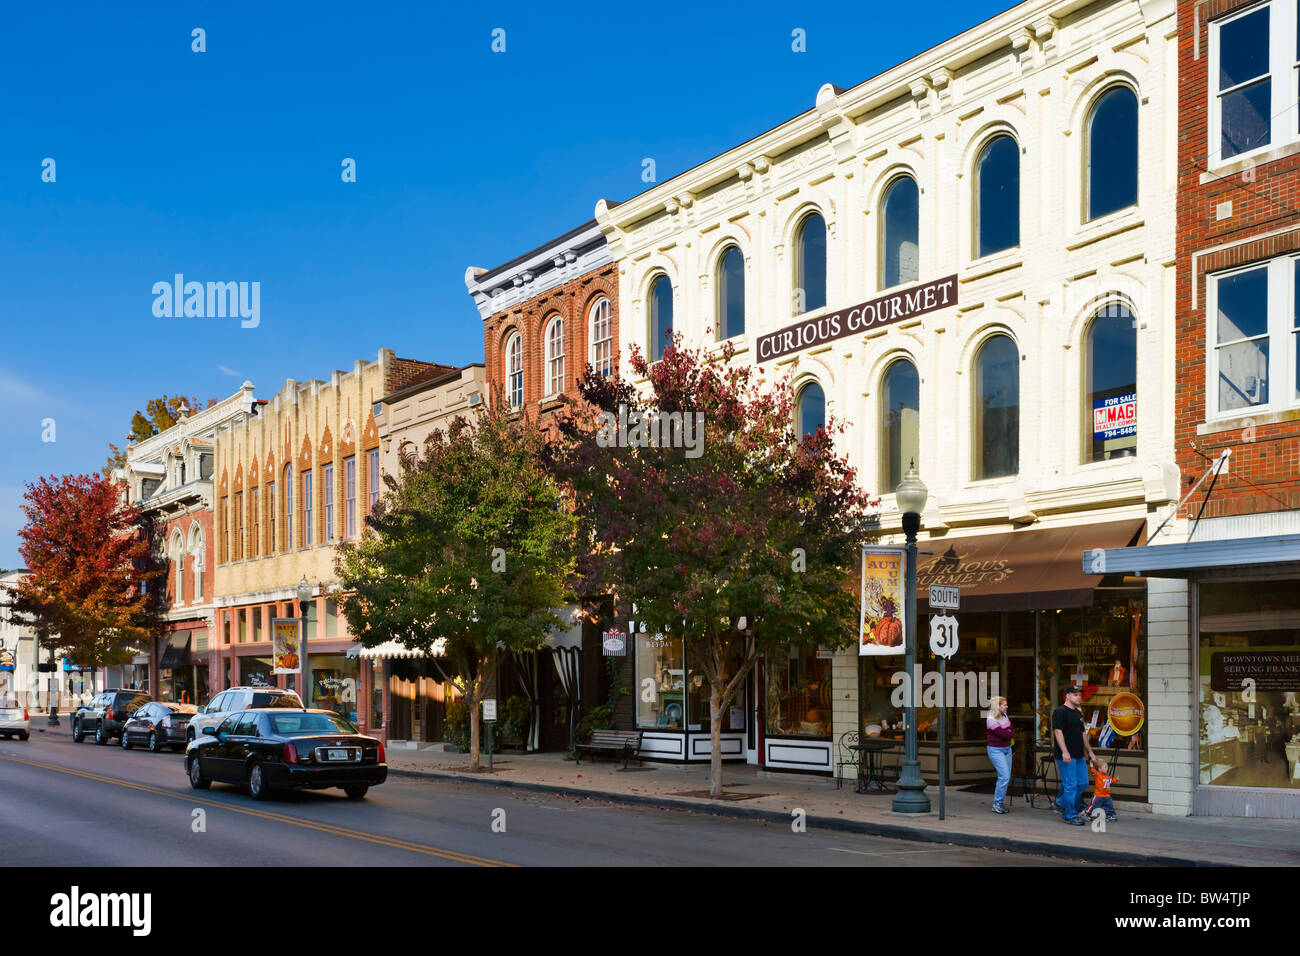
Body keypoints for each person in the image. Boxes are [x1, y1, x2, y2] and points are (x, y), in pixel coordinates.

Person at [1052, 685, 1096, 825]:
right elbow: (1058, 732)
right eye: (1075, 694)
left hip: (1079, 755)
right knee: (1070, 785)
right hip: (1066, 756)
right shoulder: (1060, 711)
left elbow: (1083, 734)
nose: (1079, 697)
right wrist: (1064, 751)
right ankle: (1070, 815)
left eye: (1079, 694)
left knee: (1083, 783)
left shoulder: (1077, 713)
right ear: (1068, 696)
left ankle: (1060, 802)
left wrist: (1090, 751)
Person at [986, 695, 1014, 814]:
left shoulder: (1005, 715)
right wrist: (1007, 732)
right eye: (1004, 704)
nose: (1007, 706)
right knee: (1004, 776)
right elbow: (1005, 734)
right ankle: (997, 803)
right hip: (996, 750)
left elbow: (1012, 731)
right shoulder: (991, 719)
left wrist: (1007, 732)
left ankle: (1000, 802)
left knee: (1005, 777)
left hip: (1007, 749)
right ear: (998, 706)